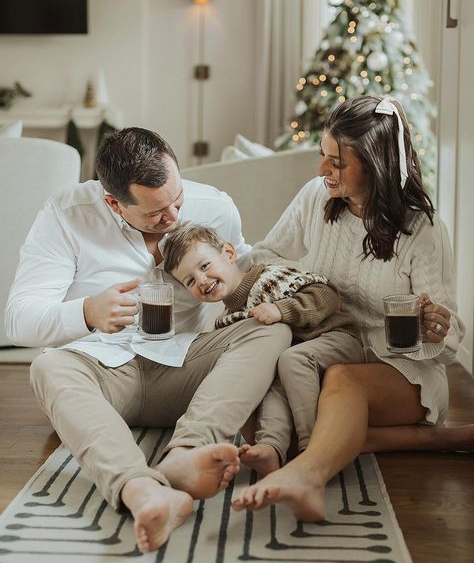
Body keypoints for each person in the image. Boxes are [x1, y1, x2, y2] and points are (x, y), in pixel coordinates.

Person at [4, 127, 293, 552]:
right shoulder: (67, 214)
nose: (173, 218)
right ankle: (143, 490)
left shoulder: (214, 205)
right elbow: (17, 319)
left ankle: (186, 454)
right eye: (156, 213)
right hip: (103, 374)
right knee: (48, 366)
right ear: (113, 203)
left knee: (272, 329)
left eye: (177, 201)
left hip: (184, 367)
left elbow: (242, 271)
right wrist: (86, 312)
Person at [231, 95, 472, 521]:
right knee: (270, 408)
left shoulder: (422, 229)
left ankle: (307, 474)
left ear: (376, 163)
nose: (323, 170)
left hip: (398, 368)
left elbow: (449, 340)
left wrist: (434, 329)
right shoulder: (315, 196)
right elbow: (269, 253)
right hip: (328, 346)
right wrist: (221, 265)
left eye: (336, 163)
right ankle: (434, 439)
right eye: (323, 157)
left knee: (336, 385)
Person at [162, 221, 364, 475]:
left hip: (335, 338)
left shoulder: (268, 278)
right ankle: (271, 448)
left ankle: (312, 449)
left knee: (293, 360)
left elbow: (326, 295)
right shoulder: (226, 320)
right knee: (270, 384)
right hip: (291, 363)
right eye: (190, 281)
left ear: (229, 254)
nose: (201, 280)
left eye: (205, 266)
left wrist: (282, 309)